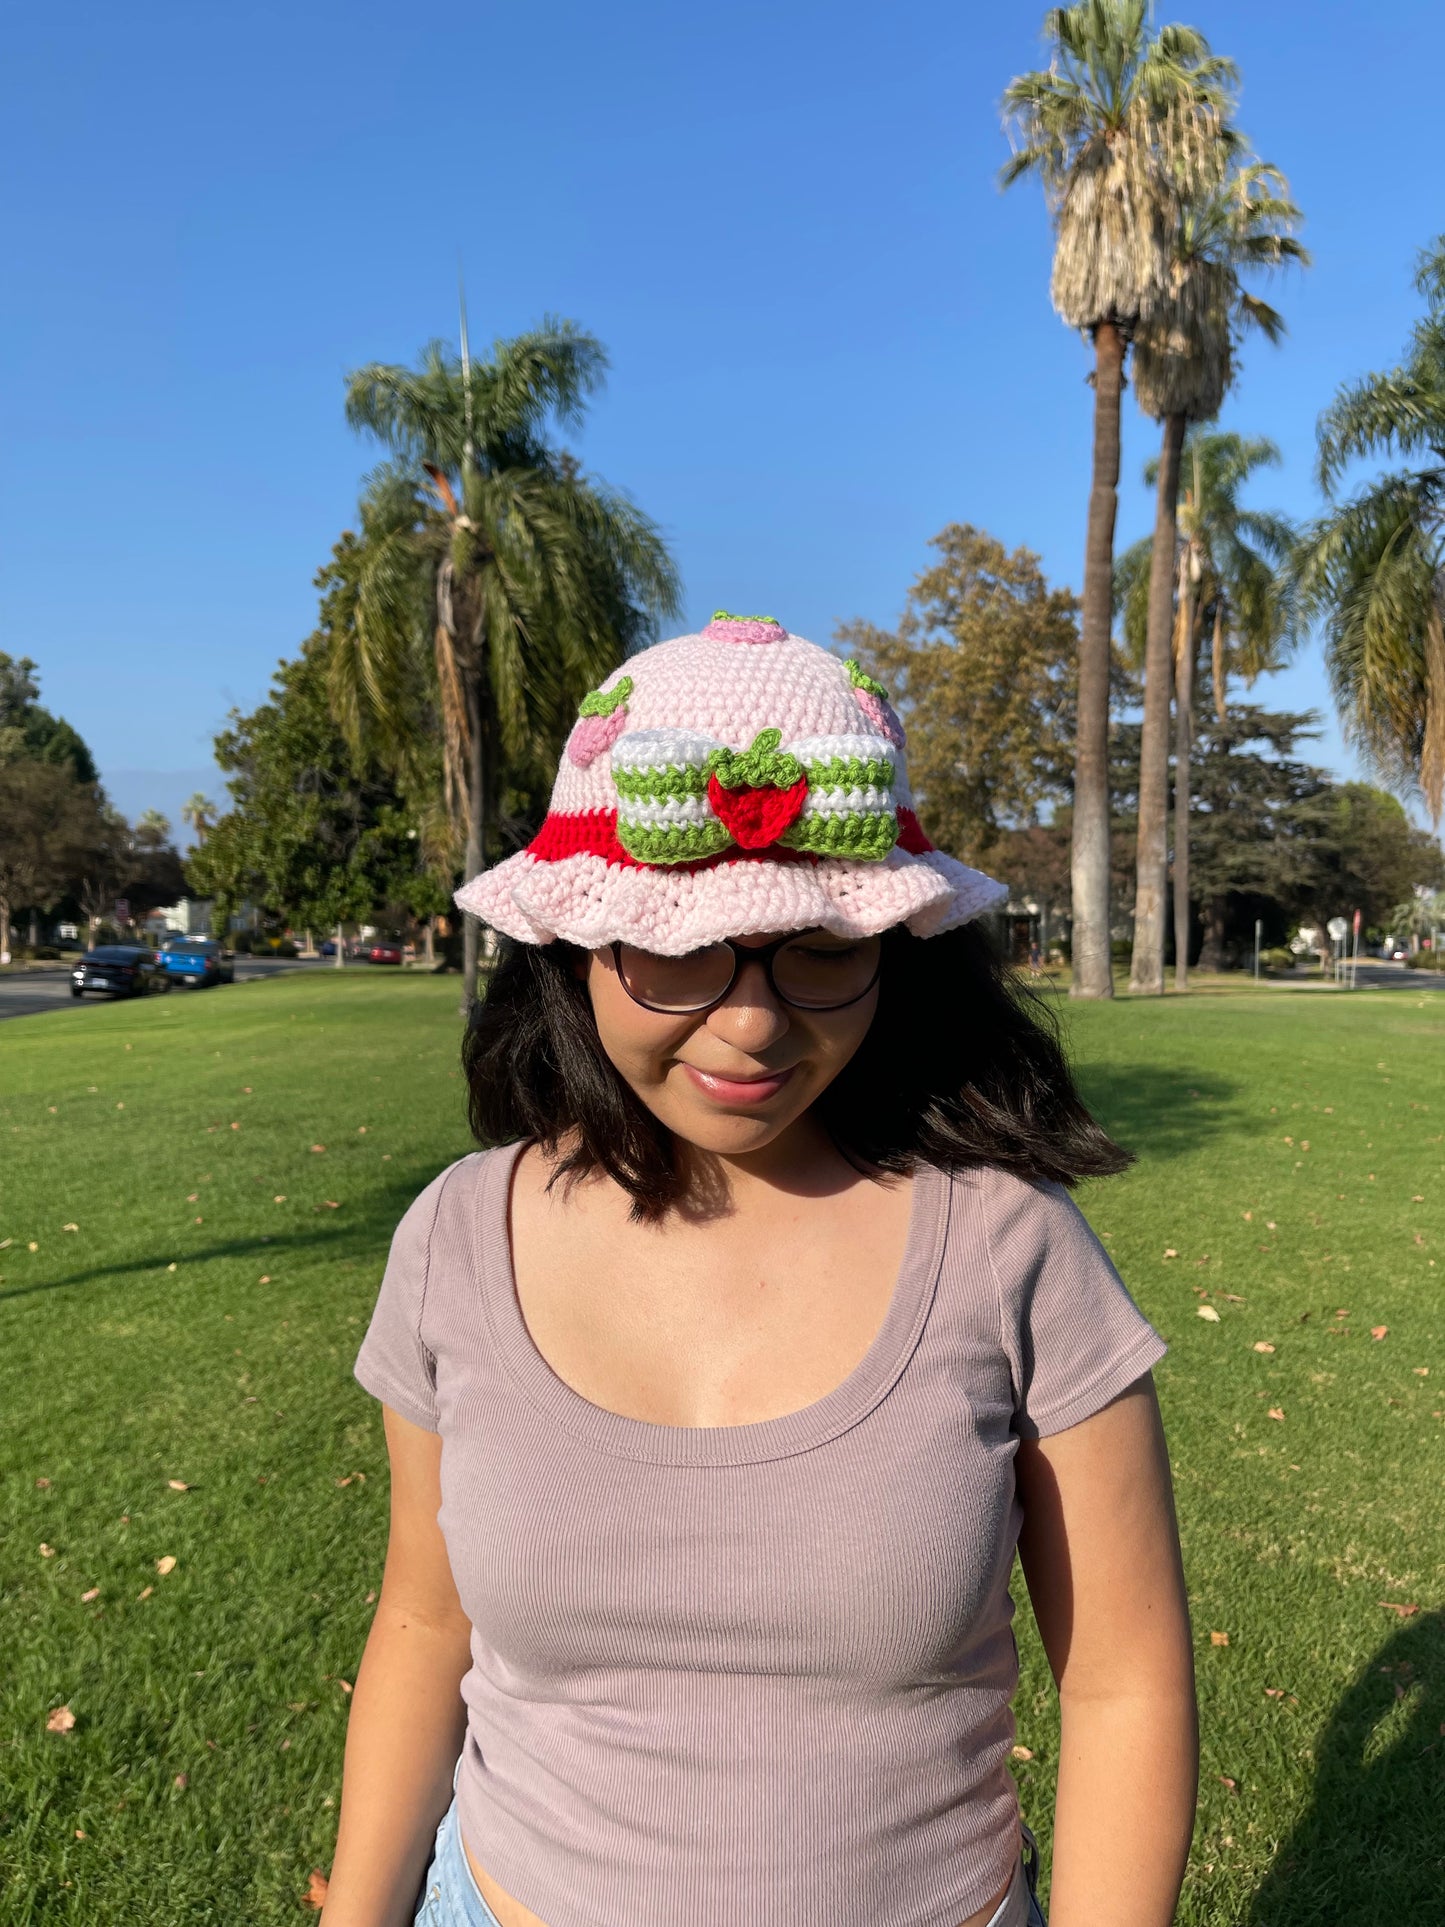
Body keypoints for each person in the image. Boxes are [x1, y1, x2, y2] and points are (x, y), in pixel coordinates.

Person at [322, 613, 1198, 1927]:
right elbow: (423, 1625)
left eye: (823, 949)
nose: (751, 1020)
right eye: (675, 947)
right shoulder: (458, 1237)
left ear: (896, 956)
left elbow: (1124, 1678)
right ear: (572, 950)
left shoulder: (1010, 1250)